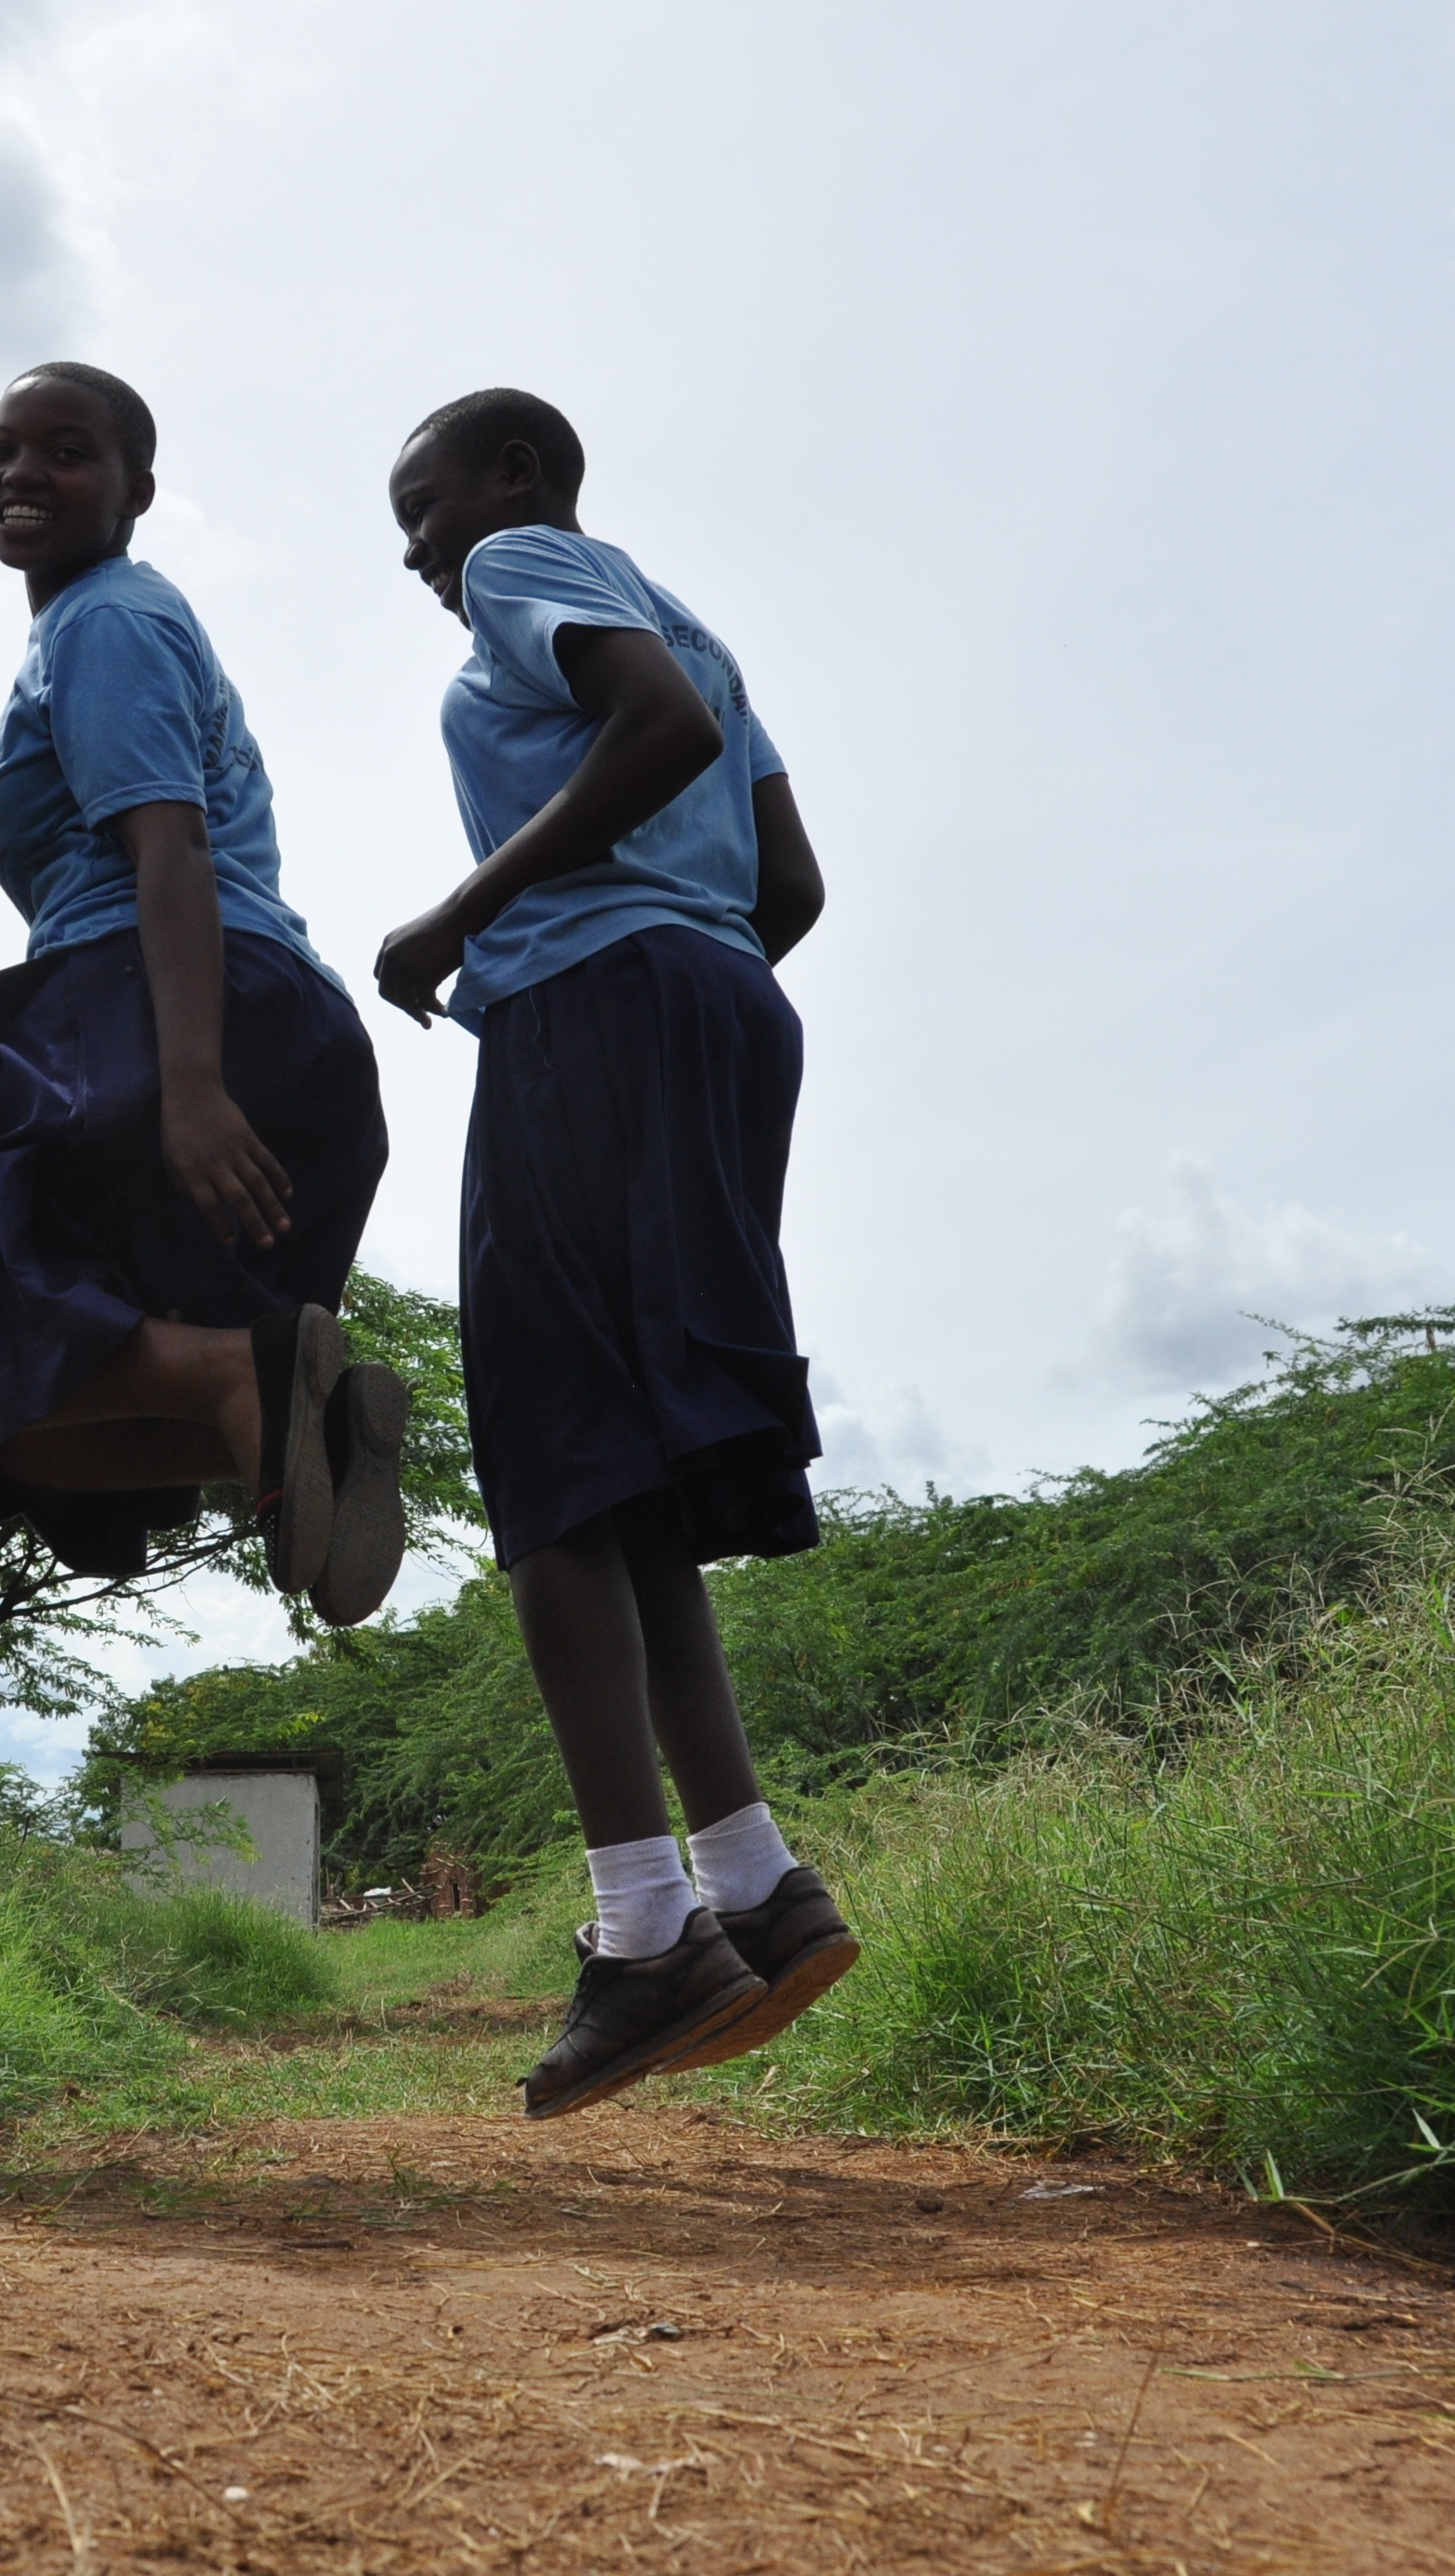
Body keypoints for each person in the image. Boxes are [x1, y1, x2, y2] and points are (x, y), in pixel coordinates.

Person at [376, 387, 860, 2118]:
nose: (422, 556)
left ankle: (644, 1931)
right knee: (633, 1473)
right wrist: (686, 962)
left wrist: (468, 912)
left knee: (557, 1470)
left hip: (601, 1010)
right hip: (724, 1002)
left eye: (421, 510)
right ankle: (751, 1883)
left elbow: (640, 732)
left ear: (512, 478)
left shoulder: (534, 557)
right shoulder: (698, 620)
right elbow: (788, 881)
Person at [0, 362, 408, 1619]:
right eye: (2, 450)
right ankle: (294, 1427)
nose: (23, 474)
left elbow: (172, 846)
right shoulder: (91, 627)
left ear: (136, 489)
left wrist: (193, 1086)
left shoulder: (108, 618)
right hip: (244, 1015)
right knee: (12, 1432)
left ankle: (245, 1383)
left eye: (67, 450)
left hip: (165, 1014)